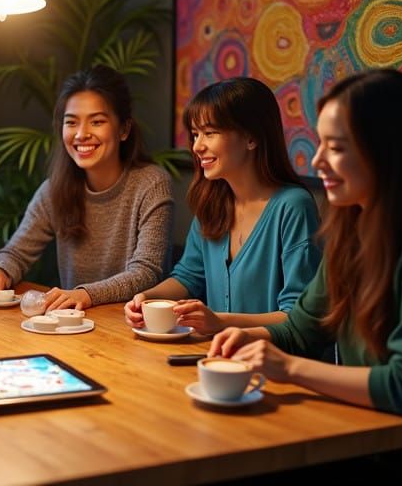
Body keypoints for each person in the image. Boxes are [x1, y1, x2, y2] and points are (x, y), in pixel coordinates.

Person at [210, 69, 402, 484]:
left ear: (387, 152)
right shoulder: (352, 231)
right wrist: (245, 337)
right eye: (320, 144)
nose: (316, 162)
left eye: (336, 148)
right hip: (371, 441)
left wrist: (288, 368)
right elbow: (300, 330)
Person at [123, 77, 321, 335]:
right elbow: (188, 277)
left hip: (273, 357)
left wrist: (221, 322)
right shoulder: (211, 203)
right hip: (218, 354)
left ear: (251, 137)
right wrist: (145, 298)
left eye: (210, 133)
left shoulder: (293, 207)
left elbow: (297, 316)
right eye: (195, 134)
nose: (197, 146)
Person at [0, 65, 173, 311]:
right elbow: (16, 252)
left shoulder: (151, 184)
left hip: (134, 323)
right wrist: (0, 271)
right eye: (71, 122)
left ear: (124, 129)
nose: (81, 134)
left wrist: (85, 294)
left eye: (97, 122)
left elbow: (147, 272)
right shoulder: (54, 189)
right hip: (74, 323)